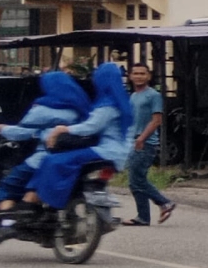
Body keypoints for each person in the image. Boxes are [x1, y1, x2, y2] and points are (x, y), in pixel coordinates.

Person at [26, 63, 135, 214]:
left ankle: (49, 202)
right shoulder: (124, 102)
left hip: (106, 151)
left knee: (53, 161)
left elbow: (90, 127)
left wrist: (63, 129)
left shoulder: (108, 105)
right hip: (120, 153)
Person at [0, 70, 91, 219]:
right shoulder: (80, 109)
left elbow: (24, 131)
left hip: (43, 159)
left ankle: (7, 223)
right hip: (73, 160)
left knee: (8, 186)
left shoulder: (43, 109)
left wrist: (3, 128)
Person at [124, 63, 175, 227]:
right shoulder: (133, 96)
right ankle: (144, 216)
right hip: (135, 141)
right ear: (130, 76)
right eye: (135, 73)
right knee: (137, 179)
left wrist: (141, 139)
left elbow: (157, 120)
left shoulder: (153, 95)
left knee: (135, 180)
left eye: (142, 73)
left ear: (148, 76)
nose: (139, 76)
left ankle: (164, 203)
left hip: (145, 143)